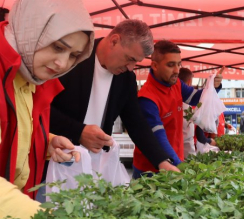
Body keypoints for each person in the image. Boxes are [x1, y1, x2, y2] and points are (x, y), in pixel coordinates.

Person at [49, 20, 179, 178]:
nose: (131, 67)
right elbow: (41, 109)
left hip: (95, 167)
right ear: (114, 41)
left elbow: (136, 123)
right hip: (53, 162)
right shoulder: (73, 59)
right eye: (129, 59)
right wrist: (79, 131)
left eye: (136, 62)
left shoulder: (126, 78)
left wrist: (162, 161)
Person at [0, 0, 95, 200]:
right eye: (58, 47)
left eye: (74, 55)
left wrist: (46, 141)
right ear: (31, 29)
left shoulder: (32, 77)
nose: (62, 64)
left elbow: (17, 130)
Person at [133, 40, 223, 178]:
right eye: (170, 65)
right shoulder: (146, 99)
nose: (177, 70)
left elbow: (196, 98)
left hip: (175, 162)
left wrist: (212, 86)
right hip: (151, 171)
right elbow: (159, 139)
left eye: (179, 64)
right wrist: (181, 167)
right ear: (155, 65)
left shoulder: (175, 83)